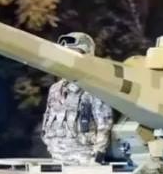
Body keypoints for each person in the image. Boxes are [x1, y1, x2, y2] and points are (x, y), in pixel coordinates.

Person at [40, 33, 114, 166]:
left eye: (72, 54)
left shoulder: (94, 88)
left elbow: (104, 125)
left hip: (84, 159)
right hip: (57, 157)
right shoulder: (55, 89)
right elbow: (48, 119)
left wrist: (97, 158)